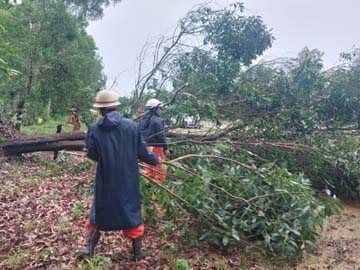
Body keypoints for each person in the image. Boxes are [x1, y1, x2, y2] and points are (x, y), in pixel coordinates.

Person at [77, 89, 160, 261]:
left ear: (100, 110)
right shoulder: (131, 126)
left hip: (105, 179)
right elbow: (143, 153)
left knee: (98, 213)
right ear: (115, 106)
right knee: (130, 212)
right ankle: (138, 254)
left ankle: (90, 251)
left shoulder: (94, 129)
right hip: (128, 179)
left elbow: (92, 154)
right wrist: (156, 160)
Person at [139, 98, 170, 182]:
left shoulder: (142, 120)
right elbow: (161, 136)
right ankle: (158, 191)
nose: (160, 110)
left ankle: (148, 189)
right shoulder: (158, 120)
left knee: (147, 170)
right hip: (156, 148)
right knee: (160, 169)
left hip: (145, 148)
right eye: (160, 108)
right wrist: (166, 148)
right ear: (155, 108)